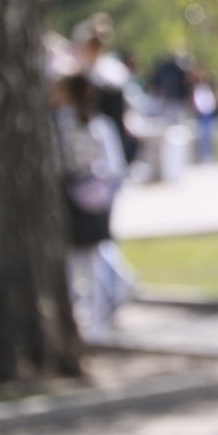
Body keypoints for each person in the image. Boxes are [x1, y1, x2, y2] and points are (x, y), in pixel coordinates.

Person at [54, 67, 131, 339]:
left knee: (78, 263)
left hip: (74, 199)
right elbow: (115, 166)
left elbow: (58, 164)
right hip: (98, 198)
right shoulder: (100, 125)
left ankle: (95, 314)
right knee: (94, 259)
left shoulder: (64, 126)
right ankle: (102, 310)